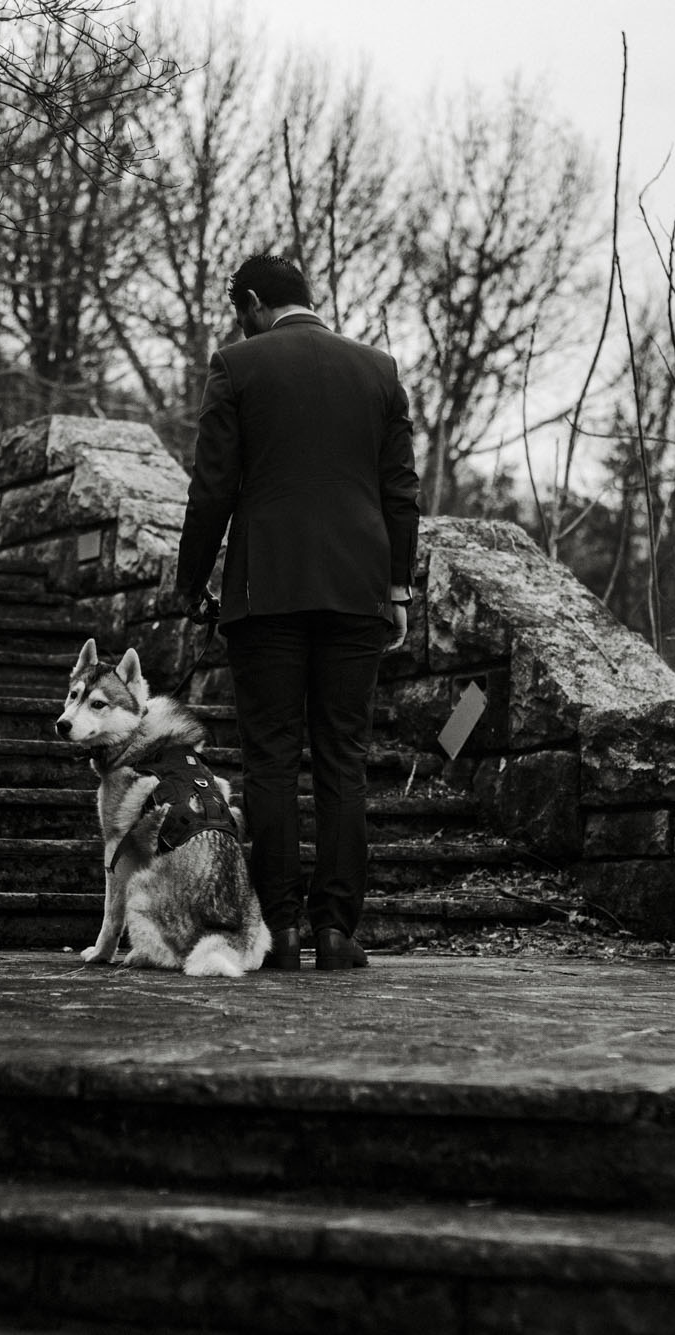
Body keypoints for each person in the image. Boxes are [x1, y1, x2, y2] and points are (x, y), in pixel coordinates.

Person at [172, 254, 422, 972]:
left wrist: (191, 584)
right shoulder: (378, 370)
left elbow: (212, 487)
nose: (237, 323)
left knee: (273, 759)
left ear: (253, 301)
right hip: (357, 591)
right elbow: (399, 490)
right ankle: (337, 931)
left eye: (238, 309)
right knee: (344, 758)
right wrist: (398, 590)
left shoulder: (237, 365)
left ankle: (278, 930)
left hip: (268, 591)